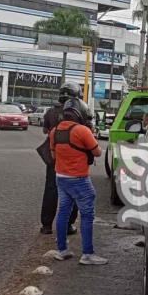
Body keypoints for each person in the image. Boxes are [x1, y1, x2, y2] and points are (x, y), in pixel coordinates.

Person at [49, 97, 106, 265]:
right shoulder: (82, 131)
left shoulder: (55, 131)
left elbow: (53, 155)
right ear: (80, 113)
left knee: (63, 212)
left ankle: (62, 250)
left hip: (61, 177)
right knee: (87, 214)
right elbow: (97, 153)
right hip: (79, 179)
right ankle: (87, 254)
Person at [40, 82, 81, 235]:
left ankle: (46, 226)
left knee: (51, 190)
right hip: (73, 159)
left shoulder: (51, 112)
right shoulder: (79, 112)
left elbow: (45, 130)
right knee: (73, 192)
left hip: (53, 156)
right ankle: (68, 225)